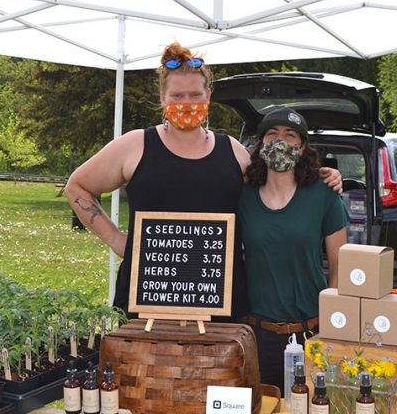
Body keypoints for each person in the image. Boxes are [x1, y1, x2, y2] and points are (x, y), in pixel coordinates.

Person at [64, 41, 342, 321]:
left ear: (208, 95)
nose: (187, 103)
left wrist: (320, 176)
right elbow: (77, 187)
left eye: (195, 94)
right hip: (149, 296)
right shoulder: (135, 145)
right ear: (163, 97)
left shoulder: (232, 150)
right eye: (177, 95)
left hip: (219, 300)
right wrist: (117, 240)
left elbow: (273, 182)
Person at [238, 106, 348, 393]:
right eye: (272, 133)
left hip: (310, 333)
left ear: (302, 147)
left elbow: (340, 265)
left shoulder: (324, 194)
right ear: (260, 144)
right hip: (256, 335)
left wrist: (328, 329)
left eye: (290, 135)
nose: (280, 141)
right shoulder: (242, 195)